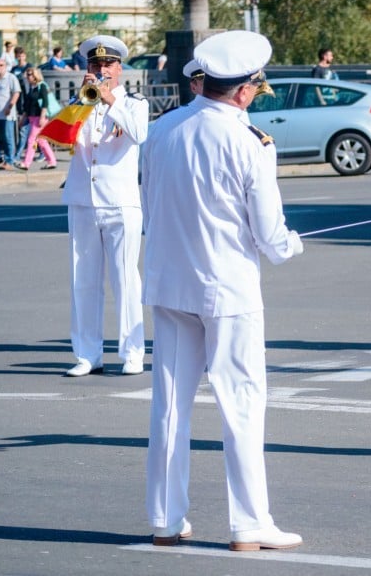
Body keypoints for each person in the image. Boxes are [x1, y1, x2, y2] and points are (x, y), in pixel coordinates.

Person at [142, 29, 304, 551]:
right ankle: (249, 524)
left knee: (169, 406)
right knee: (241, 405)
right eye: (255, 86)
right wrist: (291, 244)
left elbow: (153, 206)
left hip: (169, 283)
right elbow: (270, 237)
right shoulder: (250, 141)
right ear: (241, 90)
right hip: (228, 288)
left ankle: (165, 518)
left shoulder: (162, 129)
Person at [61, 35, 149, 377]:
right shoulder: (79, 101)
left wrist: (110, 99)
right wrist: (82, 102)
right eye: (95, 66)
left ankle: (132, 351)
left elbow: (140, 133)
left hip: (120, 202)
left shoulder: (134, 103)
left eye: (107, 66)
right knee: (83, 280)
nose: (101, 71)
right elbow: (61, 137)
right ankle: (87, 354)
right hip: (83, 199)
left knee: (126, 279)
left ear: (120, 69)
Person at [13, 66, 57, 170]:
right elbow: (27, 107)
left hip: (40, 117)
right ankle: (52, 161)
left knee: (32, 140)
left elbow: (45, 103)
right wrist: (23, 119)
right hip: (32, 117)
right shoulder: (31, 88)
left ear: (35, 75)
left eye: (29, 74)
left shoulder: (41, 86)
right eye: (27, 75)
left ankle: (26, 163)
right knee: (41, 141)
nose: (27, 77)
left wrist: (42, 117)